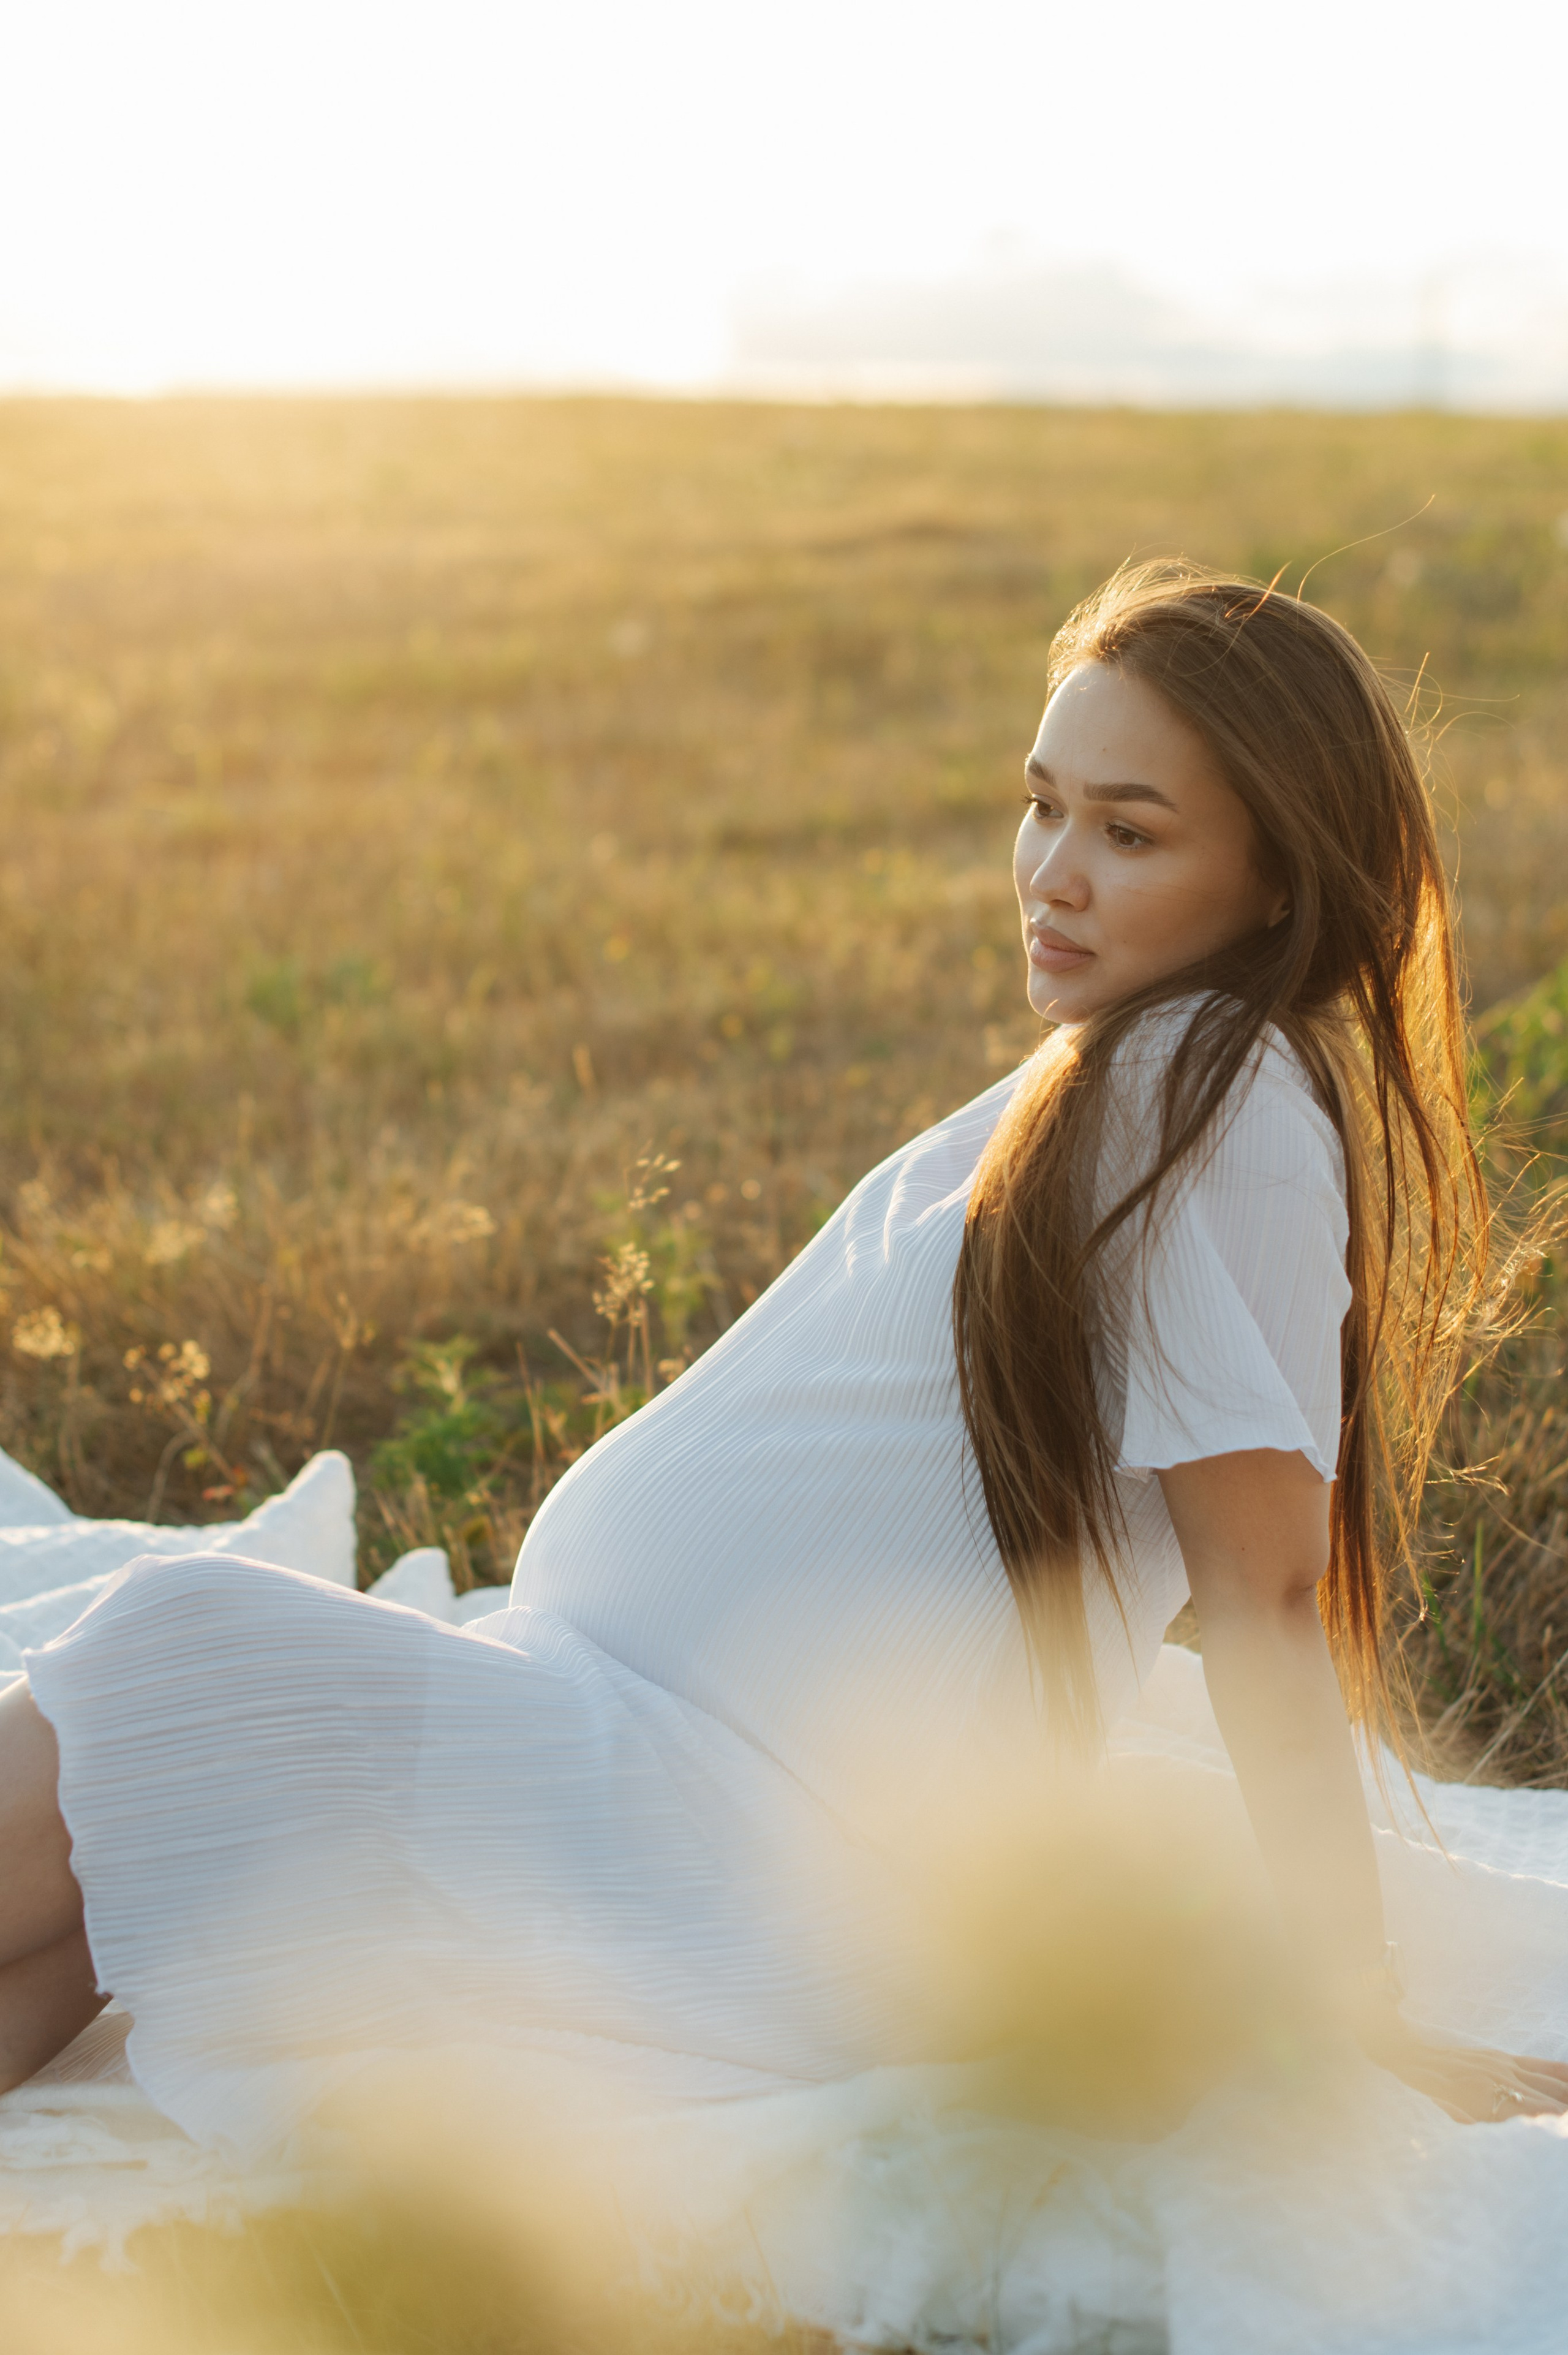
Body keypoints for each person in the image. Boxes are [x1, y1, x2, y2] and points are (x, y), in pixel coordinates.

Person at [0, 561, 1562, 2151]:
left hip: (719, 1852)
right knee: (110, 1883)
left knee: (172, 1648)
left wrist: (1350, 2003)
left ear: (1281, 879)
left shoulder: (1216, 1109)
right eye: (1042, 806)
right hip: (632, 1771)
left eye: (1130, 830)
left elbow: (1268, 1595)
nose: (1052, 873)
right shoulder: (1129, 1078)